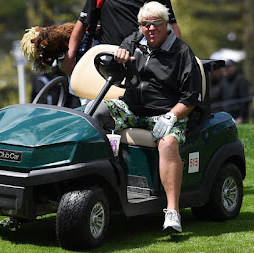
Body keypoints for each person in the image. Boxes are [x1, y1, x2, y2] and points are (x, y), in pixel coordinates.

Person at [86, 1, 203, 232]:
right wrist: (117, 55)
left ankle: (172, 212)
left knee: (168, 142)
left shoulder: (181, 52)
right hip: (132, 109)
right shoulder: (133, 41)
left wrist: (171, 116)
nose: (150, 29)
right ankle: (98, 185)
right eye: (144, 25)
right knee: (92, 114)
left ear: (167, 24)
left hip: (166, 112)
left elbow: (191, 97)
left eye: (156, 24)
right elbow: (115, 72)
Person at [62, 0, 181, 75]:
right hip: (107, 59)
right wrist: (70, 56)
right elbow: (83, 22)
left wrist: (178, 57)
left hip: (143, 60)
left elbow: (170, 25)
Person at [221, 59, 250, 123]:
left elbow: (245, 101)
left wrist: (241, 117)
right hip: (226, 117)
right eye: (224, 67)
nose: (225, 69)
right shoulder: (223, 81)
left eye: (228, 67)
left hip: (238, 118)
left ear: (234, 67)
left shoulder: (241, 80)